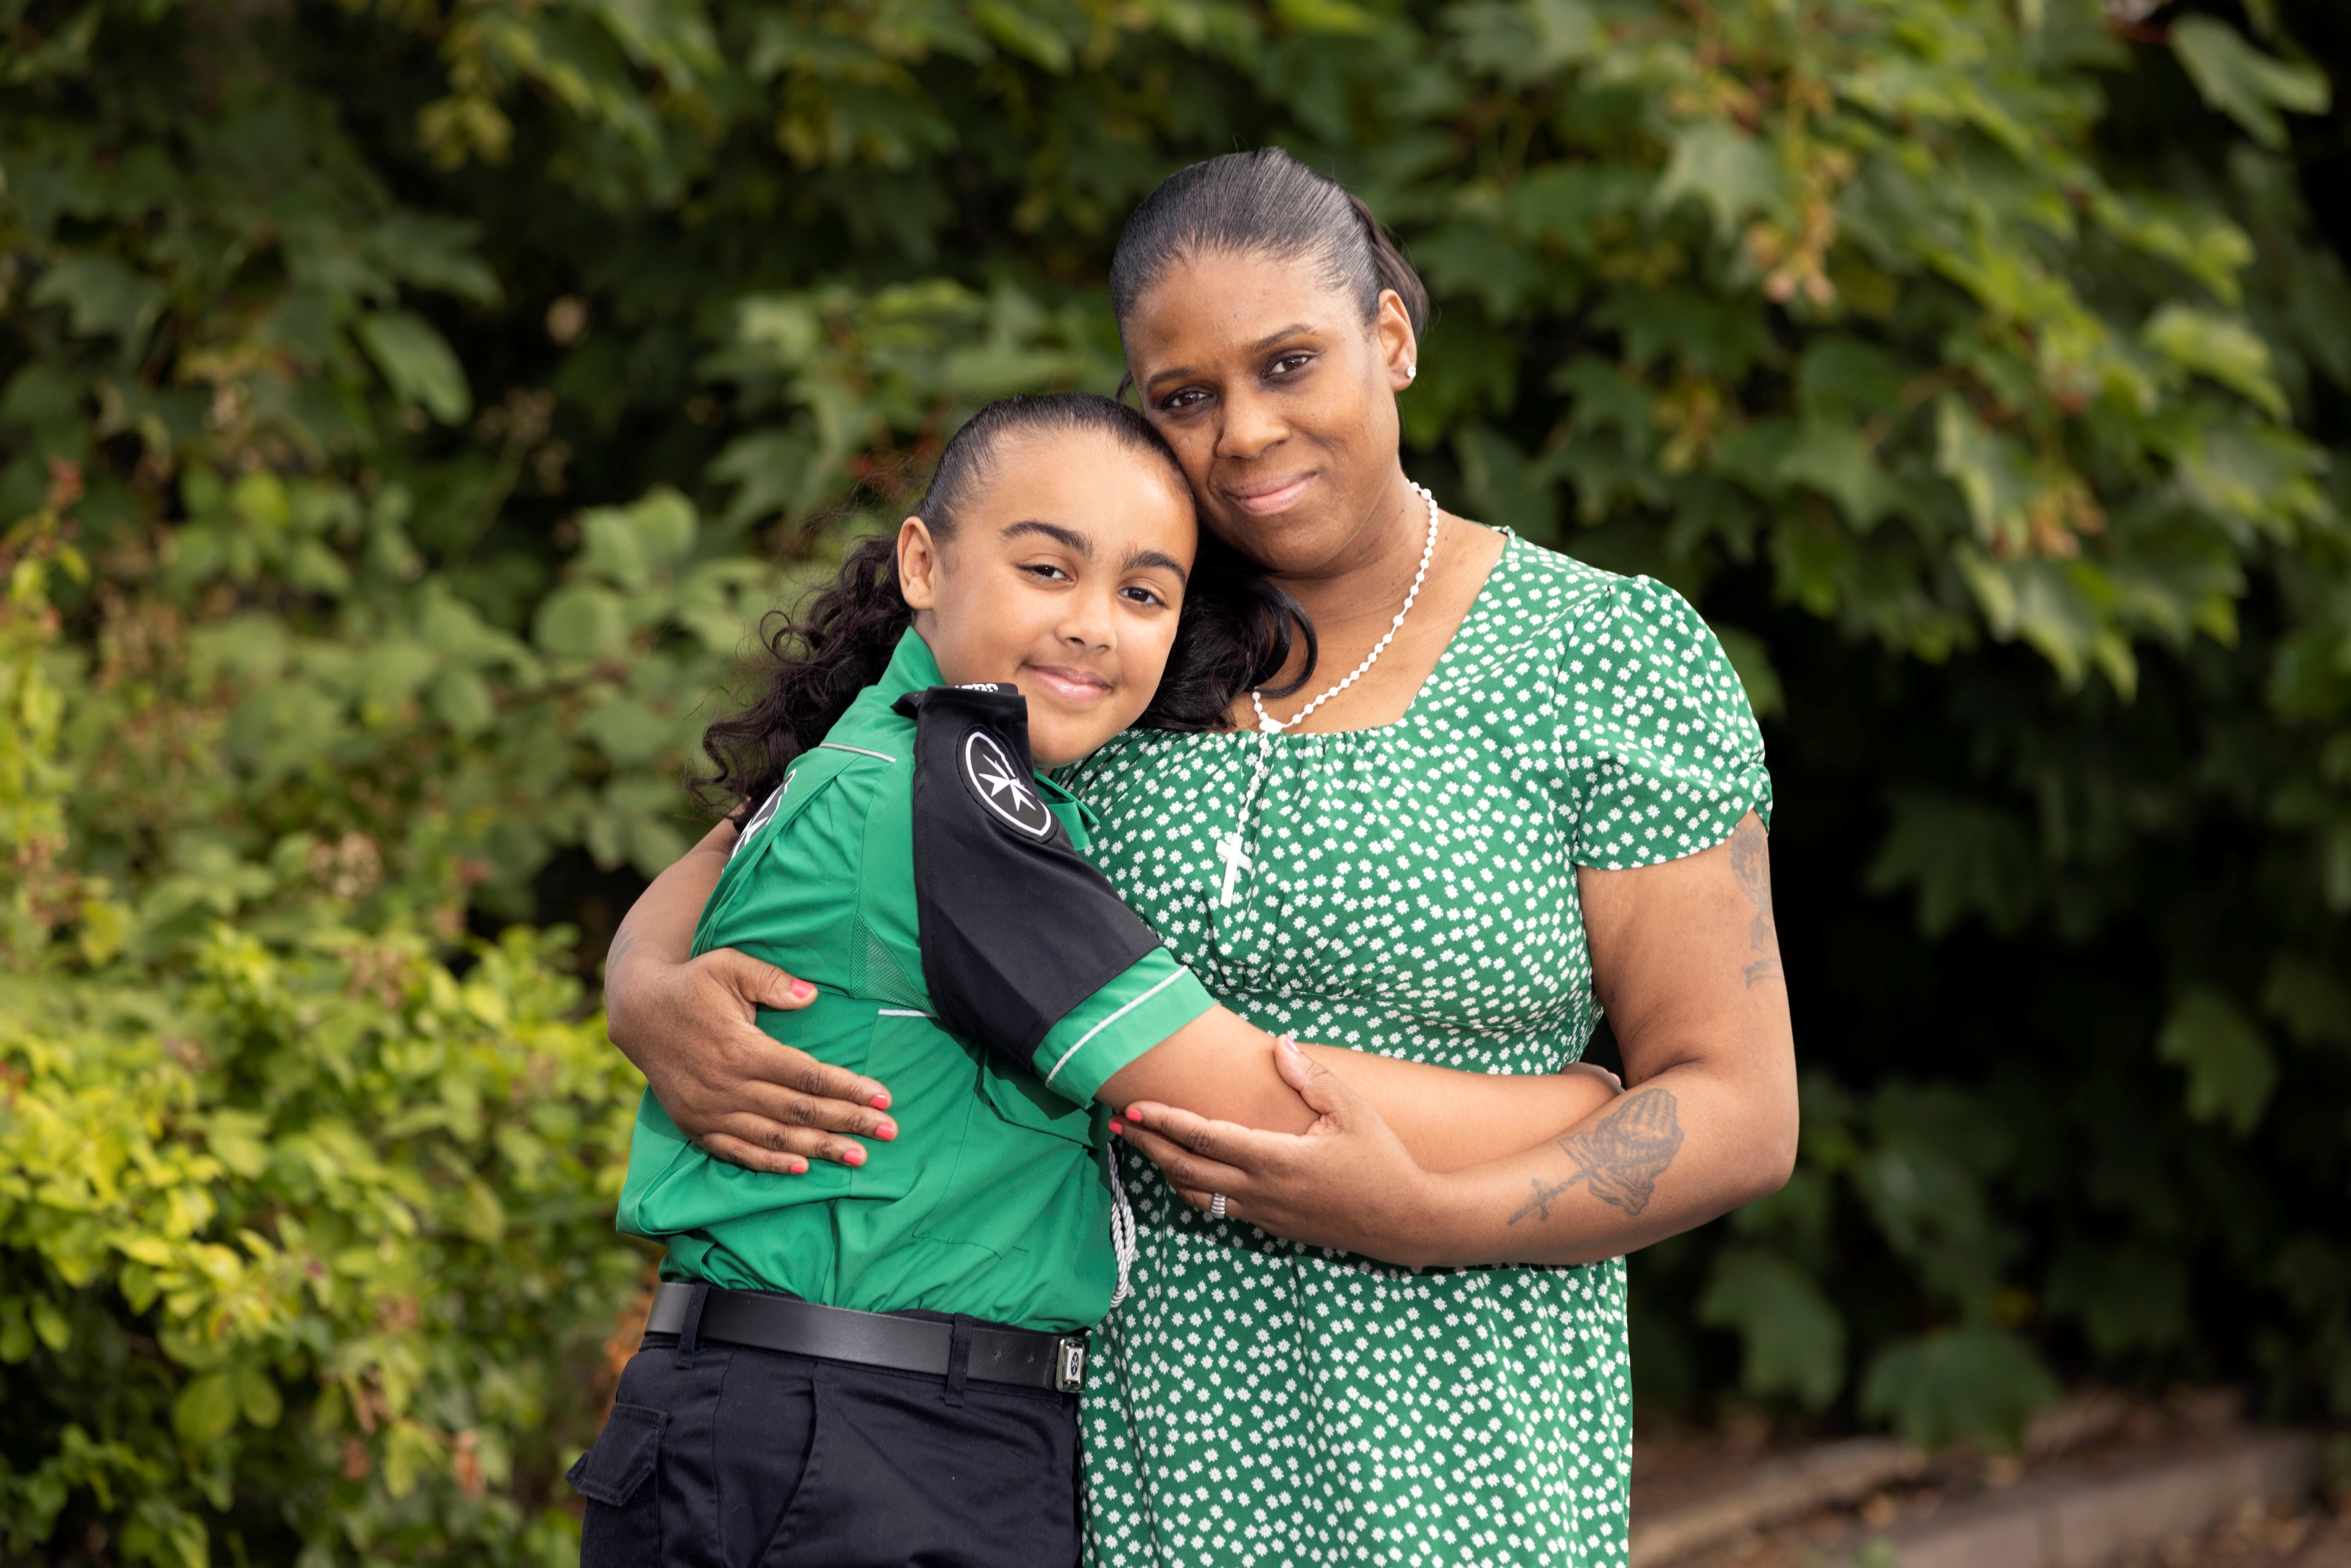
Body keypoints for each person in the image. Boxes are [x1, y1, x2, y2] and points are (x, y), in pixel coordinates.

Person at [603, 152, 1799, 1567]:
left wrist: (1433, 1211)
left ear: (1393, 340)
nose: (1244, 431)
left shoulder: (1599, 655)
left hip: (1456, 1453)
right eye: (1185, 396)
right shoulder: (1110, 644)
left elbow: (1739, 1109)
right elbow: (795, 821)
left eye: (1291, 363)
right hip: (1089, 1454)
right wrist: (641, 982)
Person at [569, 392, 1625, 1568]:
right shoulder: (948, 803)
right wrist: (1578, 1104)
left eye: (1142, 593)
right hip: (846, 1439)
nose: (1088, 624)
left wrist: (637, 967)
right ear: (923, 561)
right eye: (1045, 569)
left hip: (868, 1426)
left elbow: (715, 851)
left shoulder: (897, 759)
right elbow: (1238, 1099)